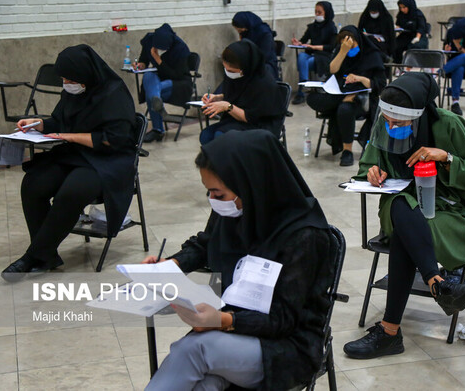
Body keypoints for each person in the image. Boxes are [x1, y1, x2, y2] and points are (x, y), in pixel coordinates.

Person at [143, 129, 333, 391]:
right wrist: (170, 265)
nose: (213, 202)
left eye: (218, 194)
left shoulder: (304, 236)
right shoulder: (239, 208)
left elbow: (284, 319)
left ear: (251, 185)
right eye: (208, 193)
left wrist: (223, 321)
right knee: (202, 384)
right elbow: (205, 243)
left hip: (287, 346)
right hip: (236, 329)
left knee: (194, 349)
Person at [342, 73, 465, 359]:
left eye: (400, 123)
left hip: (448, 211)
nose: (391, 127)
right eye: (387, 121)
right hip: (399, 205)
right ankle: (438, 283)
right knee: (402, 205)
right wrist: (372, 173)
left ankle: (390, 333)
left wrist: (446, 158)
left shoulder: (449, 124)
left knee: (404, 234)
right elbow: (367, 165)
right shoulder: (384, 124)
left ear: (419, 115)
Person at [2, 45, 136, 281]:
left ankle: (33, 257)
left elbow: (114, 139)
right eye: (63, 79)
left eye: (70, 79)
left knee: (72, 191)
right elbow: (59, 120)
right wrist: (38, 124)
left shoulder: (114, 93)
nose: (66, 83)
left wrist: (70, 136)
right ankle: (47, 256)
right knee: (33, 183)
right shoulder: (74, 91)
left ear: (86, 75)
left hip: (108, 160)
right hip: (75, 153)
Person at [306, 25, 386, 166]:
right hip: (340, 93)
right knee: (311, 98)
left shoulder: (371, 54)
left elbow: (380, 84)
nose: (348, 47)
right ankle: (342, 99)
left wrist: (360, 78)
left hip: (363, 99)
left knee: (345, 109)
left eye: (351, 44)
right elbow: (332, 70)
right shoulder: (341, 51)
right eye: (344, 44)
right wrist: (343, 51)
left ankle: (347, 151)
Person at [198, 40, 284, 145]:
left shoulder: (264, 83)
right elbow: (238, 95)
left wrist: (227, 106)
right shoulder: (239, 76)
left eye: (232, 71)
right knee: (206, 136)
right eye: (225, 69)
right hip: (237, 120)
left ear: (246, 67)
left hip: (259, 124)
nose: (228, 73)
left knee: (221, 137)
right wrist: (217, 98)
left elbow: (250, 117)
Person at [134, 23, 192, 143]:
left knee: (152, 92)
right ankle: (158, 105)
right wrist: (140, 65)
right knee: (148, 76)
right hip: (158, 78)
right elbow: (144, 60)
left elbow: (177, 75)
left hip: (177, 83)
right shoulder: (149, 41)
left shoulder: (181, 48)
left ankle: (158, 130)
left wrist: (158, 59)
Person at [291, 1, 338, 105]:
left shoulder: (331, 28)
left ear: (326, 13)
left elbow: (331, 47)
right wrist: (298, 43)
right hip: (310, 54)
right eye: (315, 12)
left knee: (305, 62)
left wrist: (313, 47)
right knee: (302, 56)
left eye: (319, 12)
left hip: (323, 56)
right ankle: (304, 84)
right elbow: (303, 40)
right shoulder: (312, 27)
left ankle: (302, 90)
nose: (317, 14)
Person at [232, 11, 279, 80]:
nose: (240, 32)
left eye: (240, 30)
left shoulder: (265, 34)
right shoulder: (247, 33)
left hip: (266, 65)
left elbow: (264, 55)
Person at [393, 0, 429, 64]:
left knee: (415, 47)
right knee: (395, 46)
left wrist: (417, 37)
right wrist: (397, 27)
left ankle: (410, 65)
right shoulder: (401, 15)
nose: (402, 10)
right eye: (400, 8)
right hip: (405, 35)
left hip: (418, 36)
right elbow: (399, 25)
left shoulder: (418, 14)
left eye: (404, 7)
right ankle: (398, 64)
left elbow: (421, 27)